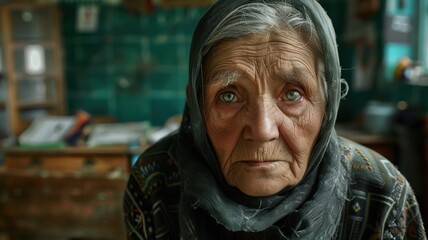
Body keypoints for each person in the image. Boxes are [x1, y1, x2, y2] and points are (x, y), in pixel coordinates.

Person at [123, 0, 427, 239]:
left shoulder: (382, 192)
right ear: (197, 106)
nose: (262, 130)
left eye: (292, 94)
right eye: (228, 95)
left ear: (328, 103)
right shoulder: (156, 182)